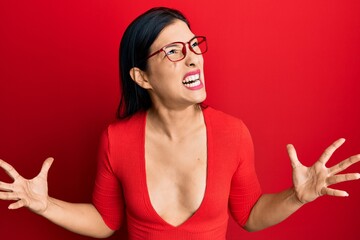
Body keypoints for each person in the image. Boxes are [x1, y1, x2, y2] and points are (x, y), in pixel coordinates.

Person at [0, 7, 359, 240]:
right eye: (173, 51)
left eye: (193, 45)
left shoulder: (232, 133)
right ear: (142, 77)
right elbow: (105, 221)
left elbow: (249, 215)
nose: (192, 58)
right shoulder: (116, 140)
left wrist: (297, 197)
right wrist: (45, 205)